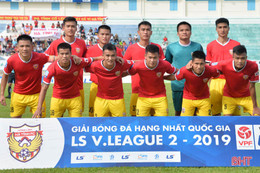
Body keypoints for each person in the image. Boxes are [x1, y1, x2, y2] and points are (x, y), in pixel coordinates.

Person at [0, 34, 56, 118]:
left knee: (40, 121)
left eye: (27, 46)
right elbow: (5, 76)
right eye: (21, 46)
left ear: (32, 46)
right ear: (17, 47)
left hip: (37, 95)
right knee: (15, 122)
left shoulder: (39, 57)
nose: (24, 49)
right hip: (18, 95)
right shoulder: (12, 60)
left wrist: (71, 56)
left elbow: (56, 58)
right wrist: (1, 94)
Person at [33, 43, 94, 118]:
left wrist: (102, 57)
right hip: (58, 98)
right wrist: (39, 108)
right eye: (62, 54)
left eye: (67, 54)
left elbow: (92, 60)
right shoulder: (52, 68)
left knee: (77, 125)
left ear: (71, 54)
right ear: (58, 54)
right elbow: (44, 88)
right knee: (55, 124)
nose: (64, 56)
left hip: (75, 99)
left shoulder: (77, 62)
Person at [45, 16, 87, 113]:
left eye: (73, 26)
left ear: (76, 28)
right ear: (63, 27)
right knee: (57, 121)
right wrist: (58, 58)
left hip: (78, 87)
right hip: (60, 90)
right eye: (68, 26)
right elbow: (44, 57)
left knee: (77, 122)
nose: (70, 29)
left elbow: (86, 60)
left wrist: (79, 59)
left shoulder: (82, 43)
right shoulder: (56, 43)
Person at [124, 21, 165, 116]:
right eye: (143, 30)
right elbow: (125, 66)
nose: (145, 32)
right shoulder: (131, 48)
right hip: (136, 90)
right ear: (138, 32)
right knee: (136, 119)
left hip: (156, 93)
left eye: (148, 30)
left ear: (151, 32)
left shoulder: (157, 47)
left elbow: (162, 65)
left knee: (157, 121)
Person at [127, 44, 177, 116]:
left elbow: (178, 72)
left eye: (155, 58)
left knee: (162, 123)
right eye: (150, 57)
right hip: (143, 98)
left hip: (160, 98)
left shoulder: (165, 64)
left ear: (159, 57)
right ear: (145, 56)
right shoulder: (138, 65)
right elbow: (127, 72)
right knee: (141, 123)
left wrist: (165, 77)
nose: (152, 60)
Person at [165, 21, 203, 116]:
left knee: (195, 113)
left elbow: (203, 64)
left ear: (190, 32)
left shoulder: (197, 46)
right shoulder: (171, 47)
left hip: (195, 85)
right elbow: (167, 64)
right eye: (181, 30)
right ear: (178, 33)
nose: (184, 32)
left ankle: (194, 131)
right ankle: (179, 130)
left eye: (187, 30)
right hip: (178, 84)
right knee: (178, 112)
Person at [85, 43, 133, 117]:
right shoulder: (96, 66)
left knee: (120, 125)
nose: (110, 58)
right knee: (99, 125)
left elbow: (136, 63)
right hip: (101, 100)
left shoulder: (121, 63)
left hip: (118, 100)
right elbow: (83, 64)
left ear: (116, 55)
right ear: (103, 55)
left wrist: (128, 72)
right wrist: (96, 58)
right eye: (107, 55)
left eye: (113, 56)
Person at [212, 45, 260, 116]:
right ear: (233, 57)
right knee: (227, 119)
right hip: (229, 96)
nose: (240, 61)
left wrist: (255, 106)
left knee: (257, 115)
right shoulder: (224, 64)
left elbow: (252, 86)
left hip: (246, 97)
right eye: (237, 58)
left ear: (246, 57)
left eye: (242, 58)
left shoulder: (253, 66)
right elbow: (208, 66)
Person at [86, 25, 123, 117]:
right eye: (102, 34)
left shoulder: (117, 51)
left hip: (113, 89)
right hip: (96, 86)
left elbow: (122, 67)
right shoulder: (91, 50)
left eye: (107, 34)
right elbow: (86, 67)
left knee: (114, 117)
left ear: (111, 36)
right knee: (94, 116)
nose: (104, 36)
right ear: (97, 35)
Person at [168, 51, 220, 116]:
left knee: (206, 121)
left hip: (204, 98)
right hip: (188, 98)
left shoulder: (211, 70)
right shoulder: (184, 71)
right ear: (192, 63)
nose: (199, 67)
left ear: (205, 63)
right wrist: (161, 77)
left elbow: (218, 74)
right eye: (196, 63)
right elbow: (175, 77)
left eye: (201, 64)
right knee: (185, 122)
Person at [206, 18, 241, 116]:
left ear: (229, 28)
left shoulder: (236, 45)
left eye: (225, 27)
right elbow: (208, 66)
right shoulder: (210, 45)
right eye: (220, 27)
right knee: (215, 112)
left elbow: (240, 64)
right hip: (215, 82)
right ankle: (216, 131)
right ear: (216, 29)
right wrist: (209, 84)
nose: (222, 30)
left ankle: (232, 131)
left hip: (232, 82)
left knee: (233, 112)